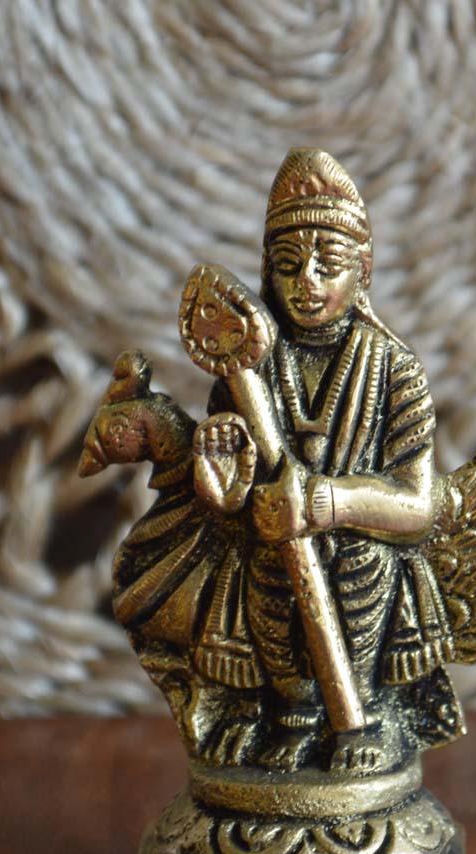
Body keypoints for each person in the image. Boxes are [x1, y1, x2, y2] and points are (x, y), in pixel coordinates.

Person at [193, 149, 457, 772]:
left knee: (365, 559)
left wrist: (328, 502)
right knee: (262, 567)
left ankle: (361, 716)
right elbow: (230, 490)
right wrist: (222, 487)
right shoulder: (247, 368)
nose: (306, 280)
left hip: (358, 566)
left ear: (363, 270)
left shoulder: (395, 370)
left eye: (327, 263)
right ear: (267, 271)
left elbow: (418, 507)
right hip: (274, 557)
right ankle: (290, 715)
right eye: (288, 265)